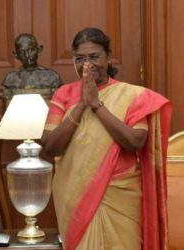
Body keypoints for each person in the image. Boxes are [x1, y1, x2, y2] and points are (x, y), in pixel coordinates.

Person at [41, 27, 172, 250]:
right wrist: (82, 104)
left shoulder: (132, 96)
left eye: (94, 56)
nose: (87, 64)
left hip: (120, 198)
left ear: (108, 56)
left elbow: (135, 142)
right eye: (80, 58)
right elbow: (50, 146)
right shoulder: (63, 95)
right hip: (76, 198)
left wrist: (96, 105)